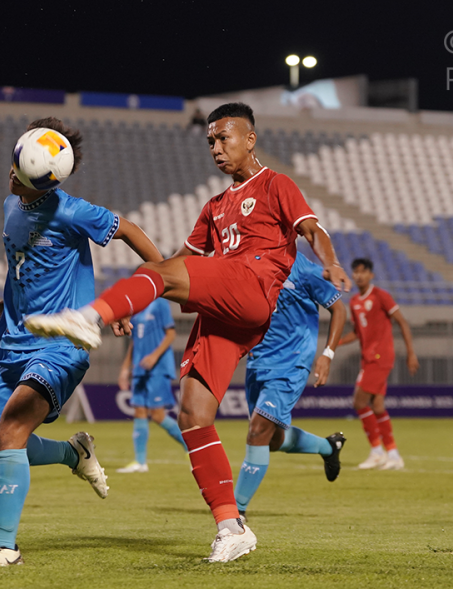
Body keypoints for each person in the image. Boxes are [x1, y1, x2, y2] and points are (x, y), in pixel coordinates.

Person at [25, 102, 351, 562]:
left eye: (225, 138)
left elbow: (312, 229)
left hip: (254, 286)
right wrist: (132, 302)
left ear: (250, 138)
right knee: (193, 415)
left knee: (167, 276)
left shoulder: (276, 185)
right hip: (226, 313)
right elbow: (171, 263)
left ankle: (86, 318)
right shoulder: (215, 206)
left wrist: (331, 262)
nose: (216, 148)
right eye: (211, 141)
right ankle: (231, 527)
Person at [0, 117, 163, 568]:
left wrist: (158, 283)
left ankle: (6, 547)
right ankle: (72, 452)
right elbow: (22, 263)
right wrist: (7, 302)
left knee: (14, 430)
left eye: (18, 169)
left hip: (62, 344)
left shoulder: (72, 211)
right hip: (14, 342)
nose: (11, 173)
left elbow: (131, 230)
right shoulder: (10, 205)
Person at [233, 252, 348, 520]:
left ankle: (235, 513)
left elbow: (338, 309)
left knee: (257, 431)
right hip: (258, 361)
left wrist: (327, 354)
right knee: (272, 440)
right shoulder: (251, 263)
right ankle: (328, 447)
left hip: (292, 362)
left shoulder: (305, 269)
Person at [339, 258, 419, 471]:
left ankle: (377, 451)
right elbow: (357, 332)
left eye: (363, 272)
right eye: (355, 272)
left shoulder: (381, 296)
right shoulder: (354, 301)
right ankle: (393, 454)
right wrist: (336, 342)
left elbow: (402, 322)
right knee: (377, 406)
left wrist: (411, 353)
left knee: (359, 402)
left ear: (371, 275)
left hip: (380, 357)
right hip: (367, 359)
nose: (359, 275)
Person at [116, 297, 186, 473]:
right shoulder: (136, 308)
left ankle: (191, 448)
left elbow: (171, 333)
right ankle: (140, 462)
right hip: (140, 368)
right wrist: (125, 367)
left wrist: (154, 356)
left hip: (158, 368)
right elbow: (134, 341)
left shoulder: (160, 303)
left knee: (157, 415)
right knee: (139, 410)